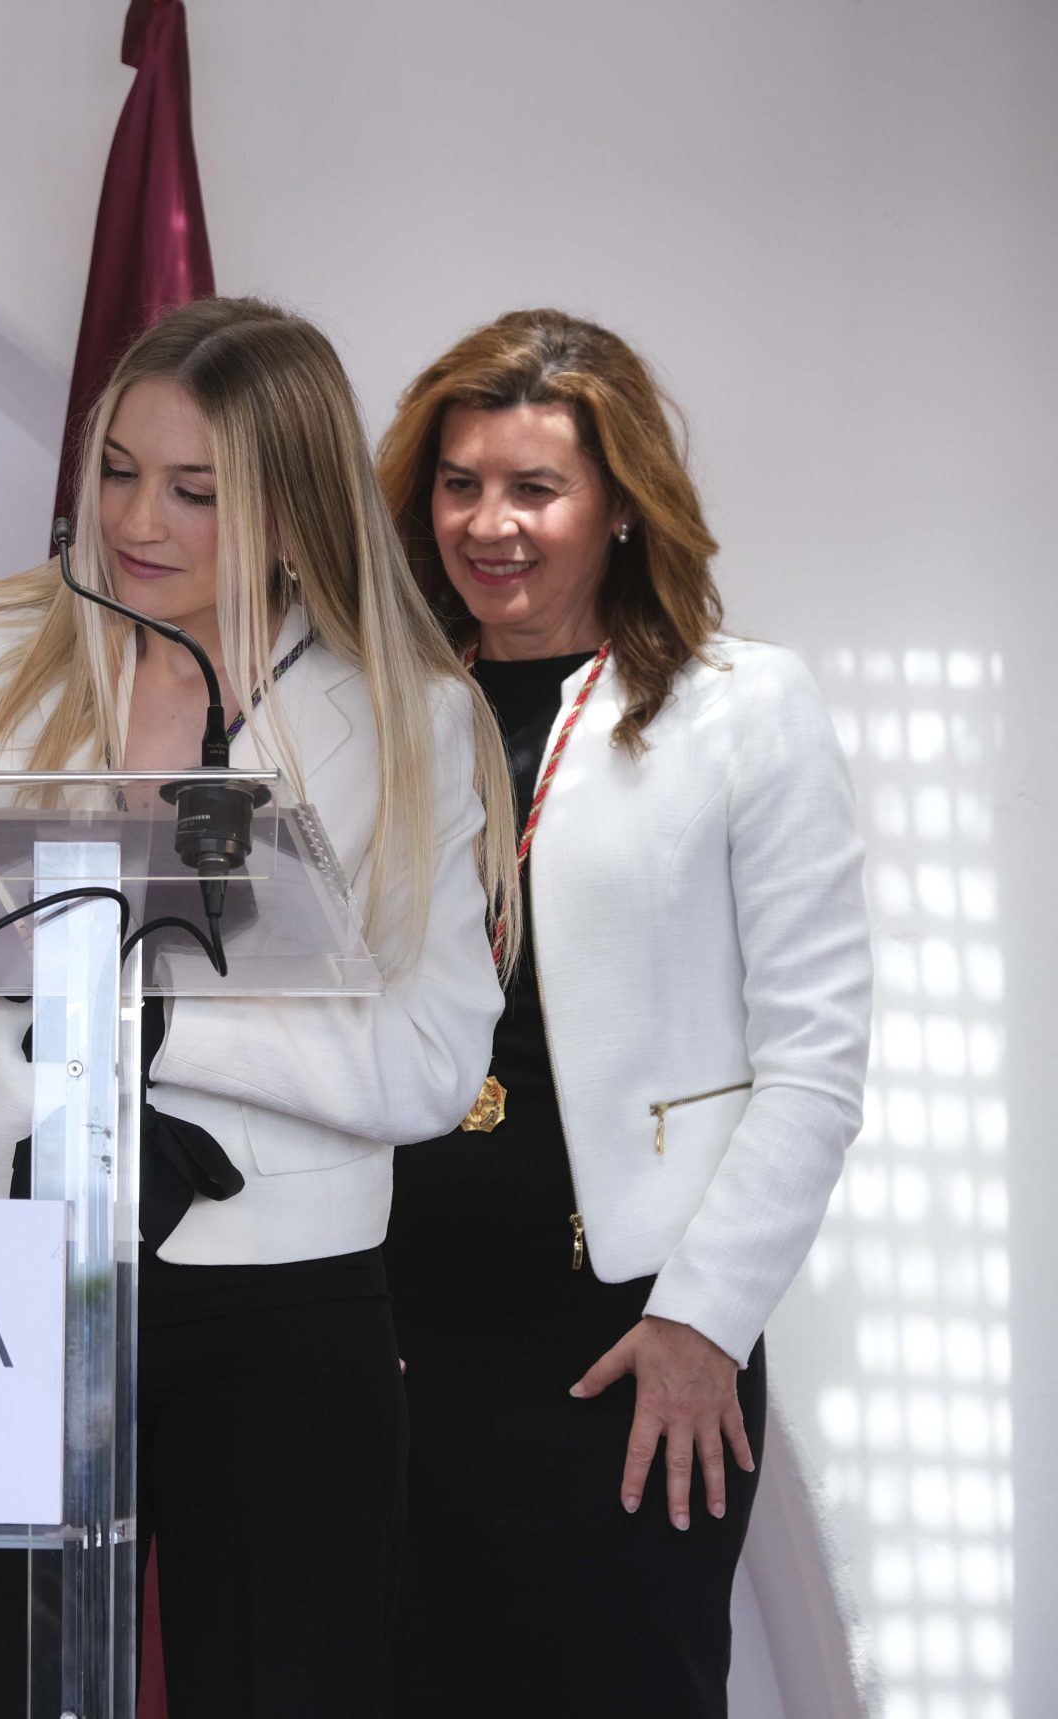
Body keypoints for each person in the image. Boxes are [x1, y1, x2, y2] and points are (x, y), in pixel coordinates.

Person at [0, 296, 513, 1716]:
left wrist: (134, 1015)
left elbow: (431, 1060)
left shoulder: (406, 719)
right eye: (117, 472)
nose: (138, 520)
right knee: (0, 1694)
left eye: (196, 491)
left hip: (279, 1296)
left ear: (292, 510)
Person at [374, 309, 871, 1716]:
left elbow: (815, 1063)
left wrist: (704, 1324)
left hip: (626, 1350)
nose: (490, 524)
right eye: (460, 484)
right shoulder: (382, 712)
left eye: (535, 488)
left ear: (622, 507)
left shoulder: (744, 709)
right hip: (393, 1334)